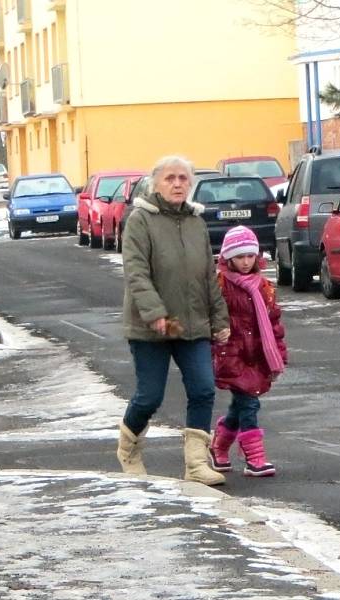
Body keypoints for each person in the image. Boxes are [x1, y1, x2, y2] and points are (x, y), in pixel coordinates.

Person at [118, 155, 231, 486]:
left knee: (203, 388)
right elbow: (136, 272)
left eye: (183, 178)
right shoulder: (140, 220)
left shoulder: (196, 222)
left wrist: (219, 317)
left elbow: (208, 275)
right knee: (149, 396)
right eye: (170, 178)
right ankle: (129, 450)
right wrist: (155, 314)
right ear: (156, 183)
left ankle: (196, 464)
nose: (177, 183)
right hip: (151, 327)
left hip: (193, 325)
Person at [209, 226, 287, 477]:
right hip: (232, 353)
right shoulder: (221, 285)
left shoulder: (262, 286)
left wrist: (278, 353)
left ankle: (219, 447)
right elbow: (215, 318)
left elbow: (273, 322)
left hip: (257, 354)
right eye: (240, 256)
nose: (245, 262)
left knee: (240, 405)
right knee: (249, 403)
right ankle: (255, 458)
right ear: (228, 258)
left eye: (250, 256)